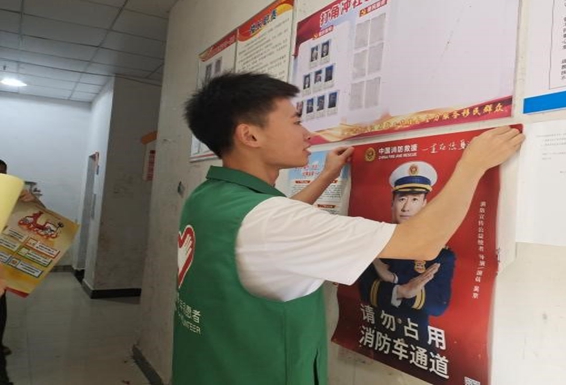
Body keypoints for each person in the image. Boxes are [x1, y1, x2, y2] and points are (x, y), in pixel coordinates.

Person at [172, 72, 524, 385]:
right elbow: (421, 243)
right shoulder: (273, 222)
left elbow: (271, 226)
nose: (307, 133)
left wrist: (326, 176)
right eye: (295, 122)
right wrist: (472, 165)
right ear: (250, 135)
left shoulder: (208, 198)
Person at [358, 161, 455, 350]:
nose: (406, 208)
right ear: (392, 203)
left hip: (416, 345)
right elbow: (365, 290)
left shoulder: (440, 253)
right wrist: (402, 291)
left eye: (415, 200)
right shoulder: (377, 242)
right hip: (376, 338)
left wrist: (395, 279)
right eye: (402, 199)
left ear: (425, 204)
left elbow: (439, 305)